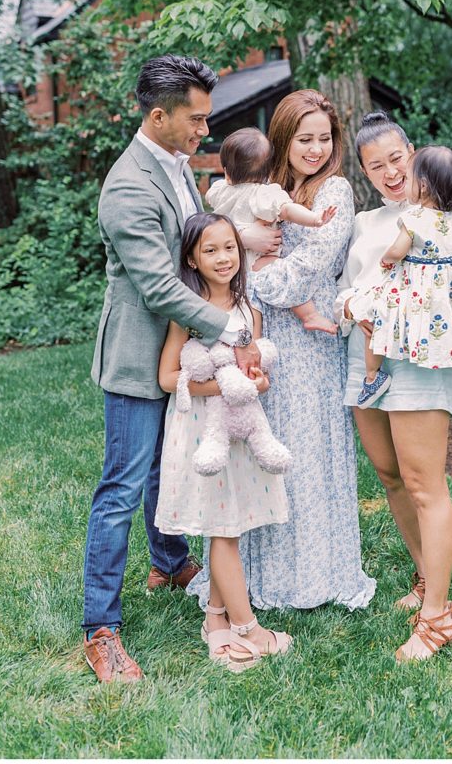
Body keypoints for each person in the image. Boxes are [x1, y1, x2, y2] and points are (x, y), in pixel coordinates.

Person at [83, 54, 271, 683]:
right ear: (158, 116)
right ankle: (100, 628)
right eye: (195, 120)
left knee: (173, 468)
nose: (204, 131)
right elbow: (162, 287)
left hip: (186, 350)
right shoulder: (128, 187)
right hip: (141, 359)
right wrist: (232, 327)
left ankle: (167, 561)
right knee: (122, 487)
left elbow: (201, 239)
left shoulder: (178, 167)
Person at [191, 90, 376, 611]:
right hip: (258, 334)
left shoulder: (333, 191)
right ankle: (246, 574)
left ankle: (309, 575)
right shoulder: (265, 187)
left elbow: (304, 272)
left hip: (309, 346)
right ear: (283, 139)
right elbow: (224, 245)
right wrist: (245, 254)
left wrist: (254, 268)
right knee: (255, 450)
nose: (315, 149)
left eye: (324, 139)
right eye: (304, 139)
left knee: (304, 454)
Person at [335, 112, 452, 662]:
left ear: (412, 151)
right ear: (364, 171)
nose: (390, 172)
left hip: (418, 359)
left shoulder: (444, 214)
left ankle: (437, 617)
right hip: (361, 358)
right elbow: (342, 292)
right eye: (375, 165)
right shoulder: (363, 223)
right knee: (390, 475)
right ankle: (423, 576)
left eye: (396, 158)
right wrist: (352, 309)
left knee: (423, 481)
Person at [155, 212, 292, 672]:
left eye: (229, 247)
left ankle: (215, 619)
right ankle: (246, 626)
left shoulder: (249, 310)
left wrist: (256, 383)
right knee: (224, 530)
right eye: (210, 250)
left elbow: (256, 372)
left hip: (241, 432)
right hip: (203, 433)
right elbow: (168, 375)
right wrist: (221, 387)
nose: (223, 257)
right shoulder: (189, 314)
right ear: (192, 257)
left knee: (228, 521)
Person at [351, 145, 452, 406]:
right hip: (446, 291)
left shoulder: (415, 217)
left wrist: (387, 259)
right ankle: (444, 351)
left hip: (416, 285)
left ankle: (371, 377)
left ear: (422, 186)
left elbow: (398, 250)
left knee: (375, 316)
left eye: (409, 179)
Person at [206, 126, 338, 334]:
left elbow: (211, 205)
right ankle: (309, 315)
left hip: (233, 262)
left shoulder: (219, 191)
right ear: (268, 171)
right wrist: (314, 219)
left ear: (226, 172)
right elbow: (288, 210)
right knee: (278, 269)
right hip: (258, 260)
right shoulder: (264, 194)